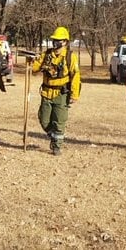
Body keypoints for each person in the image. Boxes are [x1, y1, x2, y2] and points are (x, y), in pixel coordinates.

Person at [30, 26, 81, 156]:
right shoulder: (46, 55)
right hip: (46, 92)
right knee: (44, 119)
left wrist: (74, 94)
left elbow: (75, 76)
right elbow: (35, 69)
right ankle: (53, 136)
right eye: (54, 39)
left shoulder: (70, 57)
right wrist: (31, 62)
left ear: (65, 42)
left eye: (59, 40)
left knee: (59, 121)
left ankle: (57, 146)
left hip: (61, 93)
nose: (56, 42)